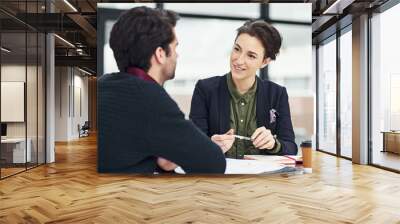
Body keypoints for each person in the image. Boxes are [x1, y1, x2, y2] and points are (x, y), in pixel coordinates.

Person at [98, 6, 226, 173]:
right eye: (175, 47)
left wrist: (161, 159)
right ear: (160, 54)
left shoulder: (103, 85)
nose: (177, 55)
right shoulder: (149, 99)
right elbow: (213, 163)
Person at [189, 20, 297, 159]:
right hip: (218, 177)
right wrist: (209, 145)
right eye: (237, 49)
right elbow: (192, 145)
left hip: (262, 179)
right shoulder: (205, 89)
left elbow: (291, 147)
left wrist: (273, 144)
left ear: (265, 61)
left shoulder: (277, 94)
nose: (239, 60)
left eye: (251, 56)